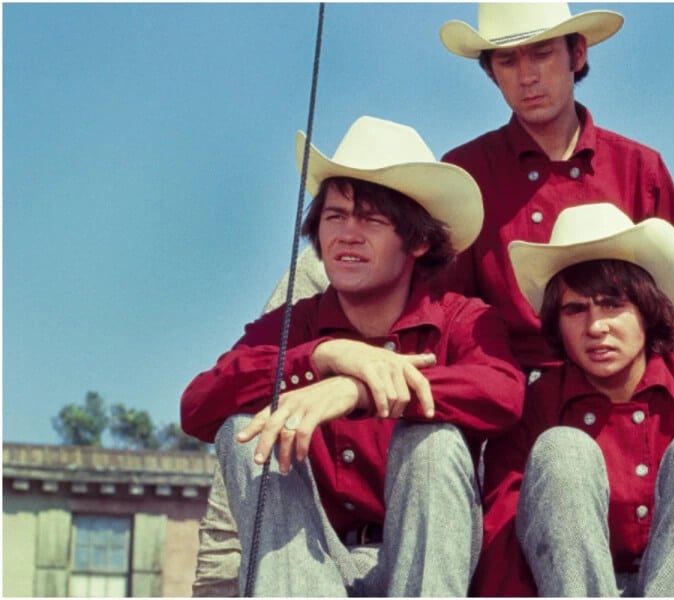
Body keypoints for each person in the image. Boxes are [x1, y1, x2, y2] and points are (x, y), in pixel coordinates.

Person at [180, 116, 525, 596]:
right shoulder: (294, 324)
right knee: (243, 428)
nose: (347, 234)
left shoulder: (461, 318)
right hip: (316, 566)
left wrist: (358, 388)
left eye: (372, 220)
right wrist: (324, 356)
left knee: (436, 444)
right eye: (335, 216)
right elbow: (197, 405)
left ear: (420, 241)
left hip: (427, 564)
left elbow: (503, 393)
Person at [472, 202, 674, 597]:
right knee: (561, 449)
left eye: (612, 304)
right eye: (575, 309)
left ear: (646, 309)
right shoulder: (535, 406)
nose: (596, 327)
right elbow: (504, 538)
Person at [437, 2, 674, 378]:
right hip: (518, 395)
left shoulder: (639, 167)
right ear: (491, 72)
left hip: (633, 388)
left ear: (576, 54)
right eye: (507, 61)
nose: (527, 76)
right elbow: (445, 312)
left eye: (542, 53)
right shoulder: (466, 172)